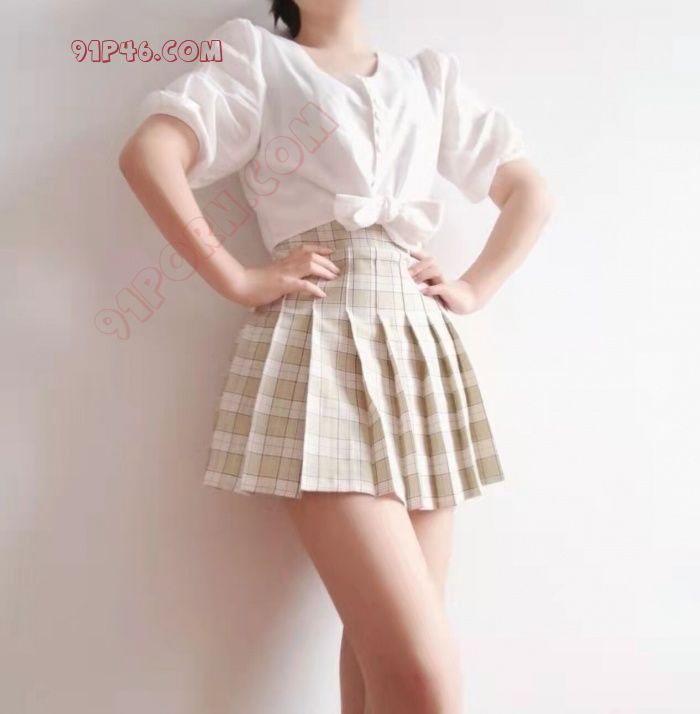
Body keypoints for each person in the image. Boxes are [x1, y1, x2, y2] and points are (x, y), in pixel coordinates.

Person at [119, 1, 554, 711]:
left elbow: (529, 189)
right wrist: (236, 277)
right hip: (317, 345)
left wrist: (475, 286)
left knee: (383, 661)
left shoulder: (428, 78)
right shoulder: (259, 58)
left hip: (418, 352)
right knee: (421, 676)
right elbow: (150, 154)